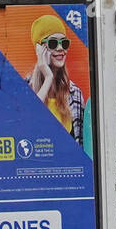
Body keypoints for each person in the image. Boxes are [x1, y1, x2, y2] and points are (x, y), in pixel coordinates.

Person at [26, 14, 85, 146]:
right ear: (39, 49)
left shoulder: (75, 93)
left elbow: (81, 144)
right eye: (53, 43)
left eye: (64, 43)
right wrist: (48, 78)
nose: (60, 49)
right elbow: (26, 127)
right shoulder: (25, 88)